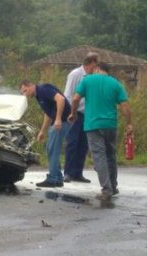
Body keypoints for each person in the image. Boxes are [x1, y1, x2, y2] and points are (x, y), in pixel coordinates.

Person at [69, 63, 133, 201]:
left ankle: (106, 189)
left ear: (97, 69)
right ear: (107, 72)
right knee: (111, 155)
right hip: (111, 125)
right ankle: (113, 186)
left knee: (99, 156)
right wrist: (129, 124)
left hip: (93, 125)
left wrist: (73, 113)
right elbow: (125, 107)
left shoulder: (87, 80)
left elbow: (75, 99)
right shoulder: (115, 84)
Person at [19, 80, 70, 187]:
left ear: (31, 85)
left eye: (25, 91)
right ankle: (58, 178)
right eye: (23, 93)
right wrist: (43, 131)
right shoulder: (39, 96)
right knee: (50, 148)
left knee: (52, 148)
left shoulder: (43, 89)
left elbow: (61, 99)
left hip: (63, 121)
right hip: (58, 121)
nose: (25, 94)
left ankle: (53, 179)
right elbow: (48, 114)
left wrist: (58, 119)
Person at [63, 52, 99, 183]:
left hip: (87, 114)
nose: (97, 67)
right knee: (72, 143)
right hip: (75, 112)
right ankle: (68, 172)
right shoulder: (76, 74)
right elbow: (68, 94)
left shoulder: (92, 77)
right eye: (96, 64)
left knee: (83, 145)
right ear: (91, 62)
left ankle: (78, 172)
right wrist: (70, 113)